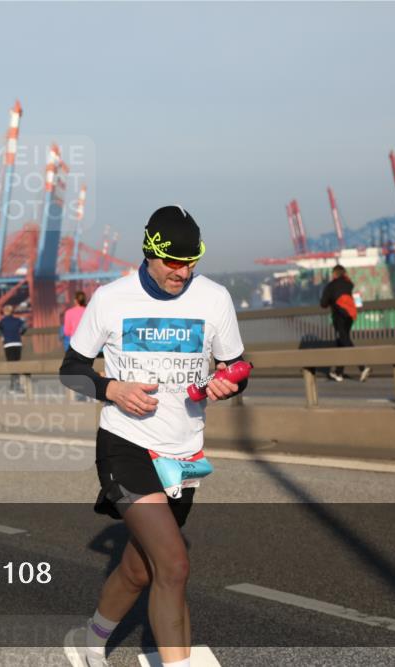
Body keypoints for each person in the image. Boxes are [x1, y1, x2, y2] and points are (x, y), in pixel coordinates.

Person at [59, 206, 248, 667]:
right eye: (173, 263)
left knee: (141, 568)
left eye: (191, 263)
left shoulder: (215, 299)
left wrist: (229, 382)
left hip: (183, 453)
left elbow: (238, 367)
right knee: (175, 564)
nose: (182, 273)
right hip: (125, 445)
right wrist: (112, 389)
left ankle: (89, 639)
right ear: (150, 253)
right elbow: (71, 371)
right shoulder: (111, 298)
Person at [319, 265, 371, 383]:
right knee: (342, 341)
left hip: (339, 315)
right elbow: (357, 298)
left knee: (344, 340)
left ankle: (363, 367)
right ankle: (338, 372)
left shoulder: (331, 286)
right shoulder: (349, 284)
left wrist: (328, 299)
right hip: (351, 315)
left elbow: (323, 303)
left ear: (334, 274)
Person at [0, 304, 28, 391]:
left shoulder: (2, 321)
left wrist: (2, 334)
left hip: (8, 344)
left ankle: (13, 384)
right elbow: (25, 326)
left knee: (11, 365)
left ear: (4, 312)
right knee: (17, 364)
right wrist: (20, 333)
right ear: (12, 312)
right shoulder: (17, 320)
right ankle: (16, 383)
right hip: (17, 344)